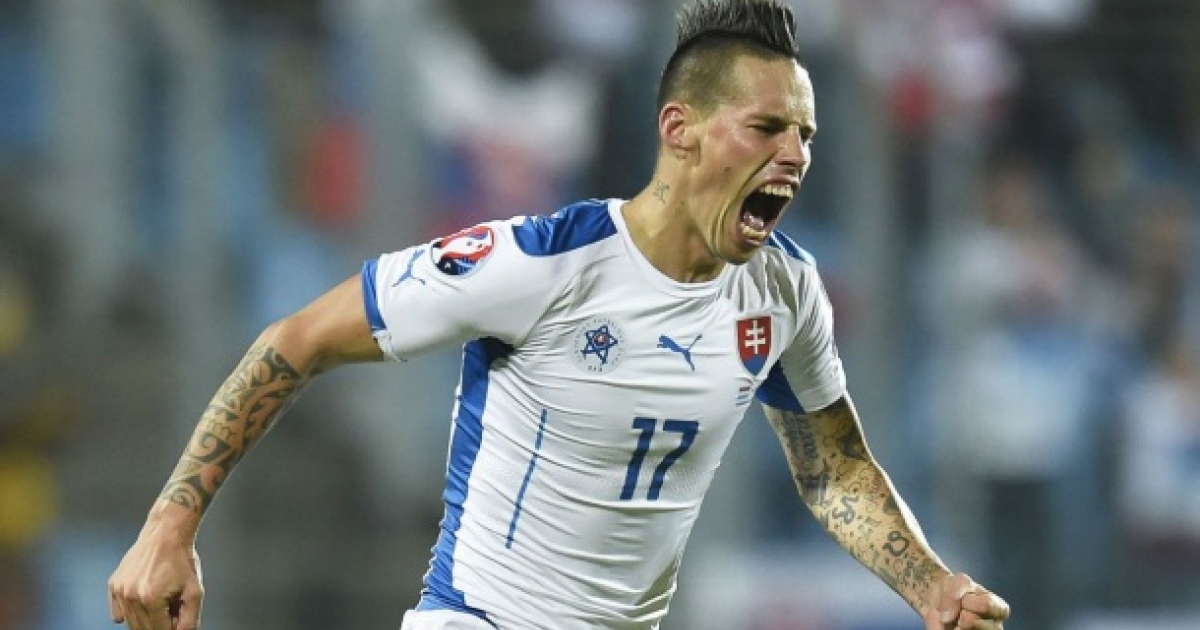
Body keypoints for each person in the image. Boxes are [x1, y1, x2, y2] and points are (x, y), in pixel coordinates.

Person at [108, 1, 1011, 629]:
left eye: (805, 135)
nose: (795, 155)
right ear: (679, 129)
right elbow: (296, 340)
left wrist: (931, 587)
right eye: (767, 128)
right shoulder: (543, 265)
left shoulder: (783, 293)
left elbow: (834, 472)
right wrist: (169, 527)